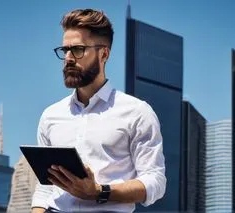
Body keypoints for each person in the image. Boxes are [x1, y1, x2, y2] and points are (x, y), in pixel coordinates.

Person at [31, 8, 166, 213]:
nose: (68, 58)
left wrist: (99, 191)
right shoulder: (50, 116)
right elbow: (44, 187)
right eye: (65, 50)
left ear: (104, 54)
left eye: (77, 49)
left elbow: (155, 182)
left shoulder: (137, 113)